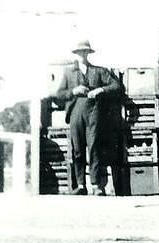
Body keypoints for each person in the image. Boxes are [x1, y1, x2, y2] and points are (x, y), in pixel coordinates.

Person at [56, 40, 122, 196]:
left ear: (88, 53)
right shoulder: (68, 72)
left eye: (85, 52)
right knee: (78, 149)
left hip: (94, 112)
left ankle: (96, 185)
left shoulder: (99, 71)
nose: (82, 55)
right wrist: (73, 91)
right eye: (79, 52)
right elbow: (59, 94)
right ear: (76, 54)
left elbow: (116, 86)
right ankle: (80, 185)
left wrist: (100, 89)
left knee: (94, 148)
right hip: (75, 113)